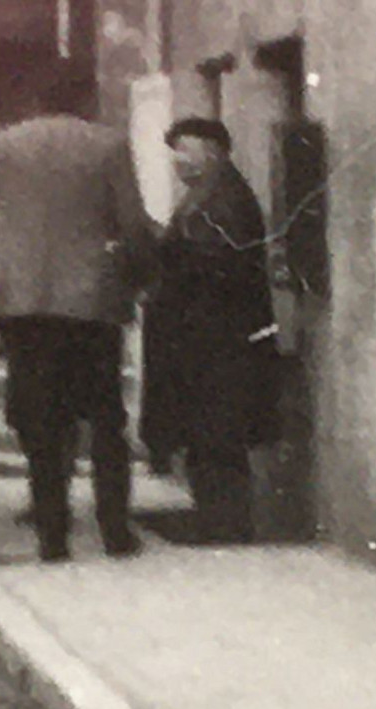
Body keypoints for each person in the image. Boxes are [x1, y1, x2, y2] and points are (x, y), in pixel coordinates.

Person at [0, 68, 158, 562]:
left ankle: (52, 536)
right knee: (106, 420)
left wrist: (6, 258)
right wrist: (132, 277)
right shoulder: (108, 145)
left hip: (26, 306)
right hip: (90, 305)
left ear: (37, 100)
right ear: (87, 99)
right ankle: (115, 533)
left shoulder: (4, 145)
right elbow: (133, 226)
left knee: (40, 418)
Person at [141, 117, 282, 545]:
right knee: (210, 436)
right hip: (208, 337)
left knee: (216, 436)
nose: (179, 160)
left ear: (215, 151)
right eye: (176, 152)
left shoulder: (222, 200)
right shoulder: (208, 195)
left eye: (188, 149)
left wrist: (158, 249)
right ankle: (217, 522)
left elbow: (211, 265)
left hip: (216, 339)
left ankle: (225, 526)